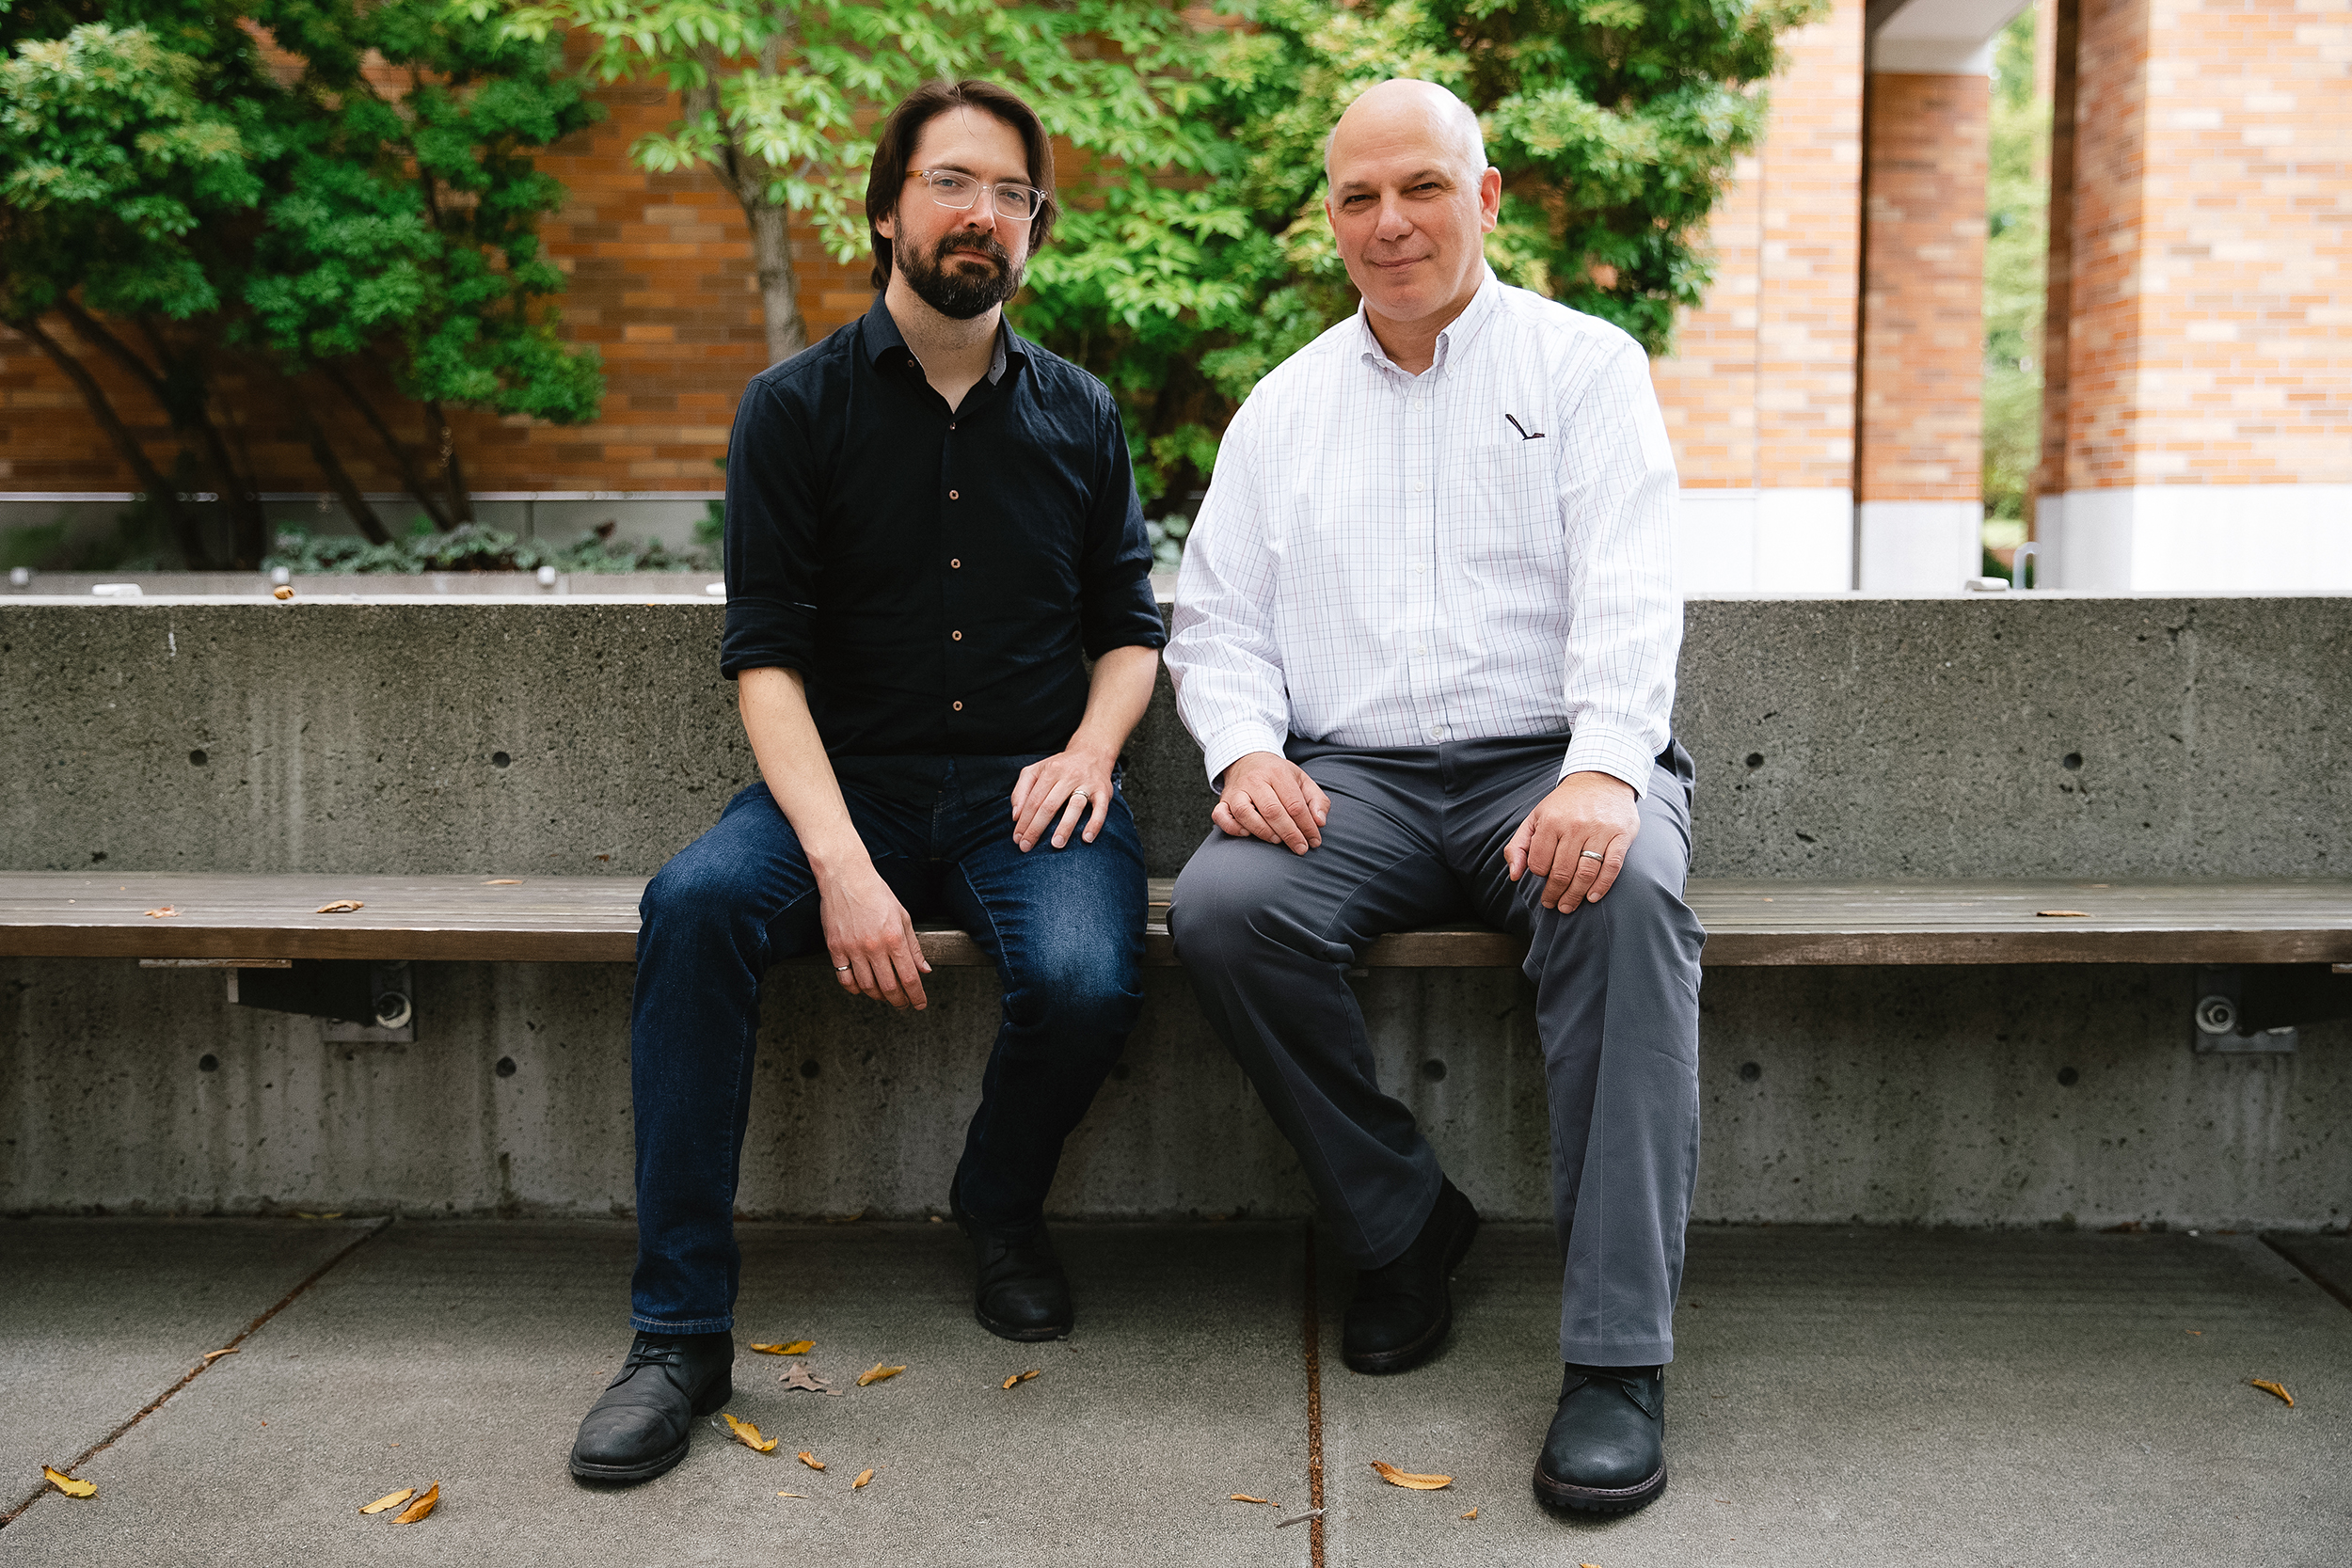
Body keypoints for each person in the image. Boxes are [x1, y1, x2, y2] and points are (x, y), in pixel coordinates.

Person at [569, 78, 1166, 1486]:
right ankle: (677, 1337)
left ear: (1037, 228)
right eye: (953, 183)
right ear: (885, 208)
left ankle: (1000, 1207)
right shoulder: (792, 410)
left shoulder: (1080, 414)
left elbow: (1132, 630)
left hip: (1034, 790)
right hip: (844, 790)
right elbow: (764, 658)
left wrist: (1088, 754)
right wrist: (839, 862)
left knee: (1087, 976)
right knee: (696, 909)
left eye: (1012, 194)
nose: (984, 215)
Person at [1163, 78, 1702, 1515]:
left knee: (1629, 895)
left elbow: (1636, 590)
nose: (1389, 223)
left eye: (1420, 188)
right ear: (1330, 218)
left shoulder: (1584, 366)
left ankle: (1615, 1357)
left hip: (1555, 759)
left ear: (1488, 196)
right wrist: (1245, 752)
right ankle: (1404, 1225)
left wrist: (1605, 767)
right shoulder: (1282, 407)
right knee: (1223, 908)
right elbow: (1215, 621)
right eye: (1357, 197)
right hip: (1362, 787)